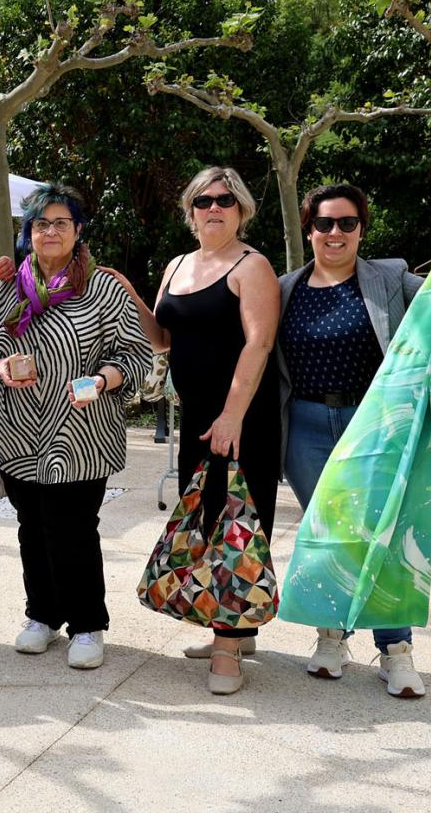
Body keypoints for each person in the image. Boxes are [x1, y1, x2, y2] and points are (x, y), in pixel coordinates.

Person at [0, 184, 150, 669]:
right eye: (41, 223)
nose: (50, 231)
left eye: (61, 222)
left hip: (81, 433)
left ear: (78, 230)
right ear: (29, 232)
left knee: (75, 527)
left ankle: (87, 624)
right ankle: (42, 615)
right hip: (17, 429)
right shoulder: (6, 290)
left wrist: (101, 380)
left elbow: (136, 355)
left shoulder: (103, 288)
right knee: (31, 525)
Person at [130, 166, 280, 696]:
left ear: (241, 210)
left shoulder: (251, 265)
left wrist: (232, 414)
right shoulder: (176, 266)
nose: (214, 208)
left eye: (225, 200)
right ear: (190, 211)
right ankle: (232, 625)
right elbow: (163, 338)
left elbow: (258, 343)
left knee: (236, 523)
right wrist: (127, 291)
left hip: (242, 417)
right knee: (204, 518)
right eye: (203, 200)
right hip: (196, 417)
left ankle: (227, 647)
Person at [276, 183, 426, 697]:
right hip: (305, 424)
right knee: (329, 533)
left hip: (374, 423)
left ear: (361, 229)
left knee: (383, 533)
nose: (335, 232)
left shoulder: (391, 278)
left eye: (347, 223)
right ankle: (332, 637)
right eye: (324, 223)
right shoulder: (285, 288)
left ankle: (396, 650)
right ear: (309, 230)